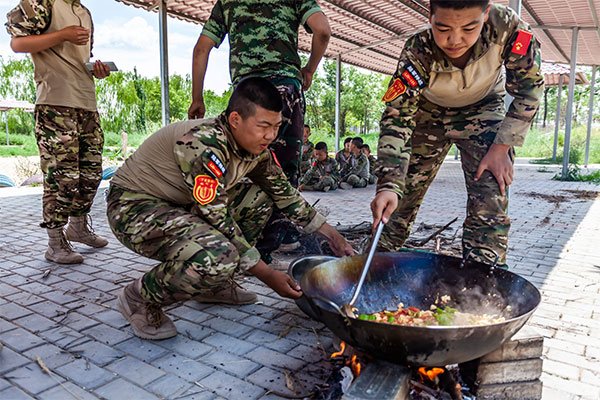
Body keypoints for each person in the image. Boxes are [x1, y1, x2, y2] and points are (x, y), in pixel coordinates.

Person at [107, 78, 353, 340]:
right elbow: (217, 219)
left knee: (259, 199)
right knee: (218, 256)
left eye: (276, 127)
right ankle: (139, 297)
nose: (271, 136)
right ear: (235, 119)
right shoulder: (204, 144)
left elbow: (285, 196)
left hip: (181, 205)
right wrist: (266, 274)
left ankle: (213, 286)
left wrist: (333, 236)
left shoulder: (256, 148)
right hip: (133, 207)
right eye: (263, 127)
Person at [371, 0, 543, 266]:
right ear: (430, 16)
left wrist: (500, 148)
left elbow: (529, 90)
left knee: (490, 195)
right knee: (398, 199)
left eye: (469, 27)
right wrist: (389, 184)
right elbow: (398, 118)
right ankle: (371, 268)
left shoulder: (510, 29)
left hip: (484, 109)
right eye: (443, 28)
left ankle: (484, 280)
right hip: (428, 114)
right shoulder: (418, 50)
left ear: (486, 14)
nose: (455, 40)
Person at [188, 0, 331, 264]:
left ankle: (253, 241)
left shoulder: (227, 2)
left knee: (247, 166)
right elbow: (322, 30)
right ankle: (276, 238)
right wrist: (309, 69)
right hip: (286, 90)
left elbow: (201, 49)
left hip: (249, 93)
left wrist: (197, 97)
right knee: (283, 171)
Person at [6, 0, 111, 264]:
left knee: (90, 174)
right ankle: (54, 243)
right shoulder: (43, 4)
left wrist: (97, 70)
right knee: (62, 178)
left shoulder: (85, 12)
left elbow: (80, 58)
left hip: (86, 103)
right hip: (55, 103)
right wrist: (62, 34)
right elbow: (17, 43)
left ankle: (78, 228)